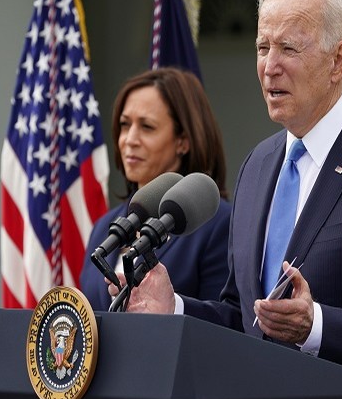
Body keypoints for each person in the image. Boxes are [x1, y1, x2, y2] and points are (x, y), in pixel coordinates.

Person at [106, 0, 342, 399]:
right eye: (263, 47)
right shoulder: (258, 166)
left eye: (289, 48)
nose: (269, 65)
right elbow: (244, 318)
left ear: (337, 61)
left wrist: (316, 326)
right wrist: (174, 308)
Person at [80, 67, 231, 311]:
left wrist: (174, 308)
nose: (130, 139)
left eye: (147, 127)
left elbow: (229, 325)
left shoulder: (219, 224)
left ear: (183, 140)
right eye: (125, 125)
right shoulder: (104, 226)